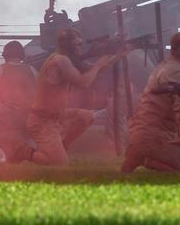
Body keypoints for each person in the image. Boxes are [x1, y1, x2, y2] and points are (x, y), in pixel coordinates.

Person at [26, 28, 123, 165]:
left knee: (87, 116)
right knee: (60, 164)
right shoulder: (61, 60)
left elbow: (95, 68)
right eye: (77, 45)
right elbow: (84, 82)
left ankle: (62, 146)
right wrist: (98, 64)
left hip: (58, 116)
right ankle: (25, 153)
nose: (80, 48)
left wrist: (119, 55)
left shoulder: (66, 59)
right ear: (68, 46)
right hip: (42, 121)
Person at [120, 31, 180, 173]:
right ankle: (145, 159)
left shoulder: (166, 67)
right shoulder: (177, 72)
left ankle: (139, 153)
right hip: (154, 138)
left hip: (142, 134)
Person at [0, 41, 38, 162]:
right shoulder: (31, 69)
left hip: (8, 115)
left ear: (5, 54)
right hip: (30, 114)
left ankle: (2, 150)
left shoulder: (0, 69)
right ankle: (27, 151)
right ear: (21, 54)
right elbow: (38, 92)